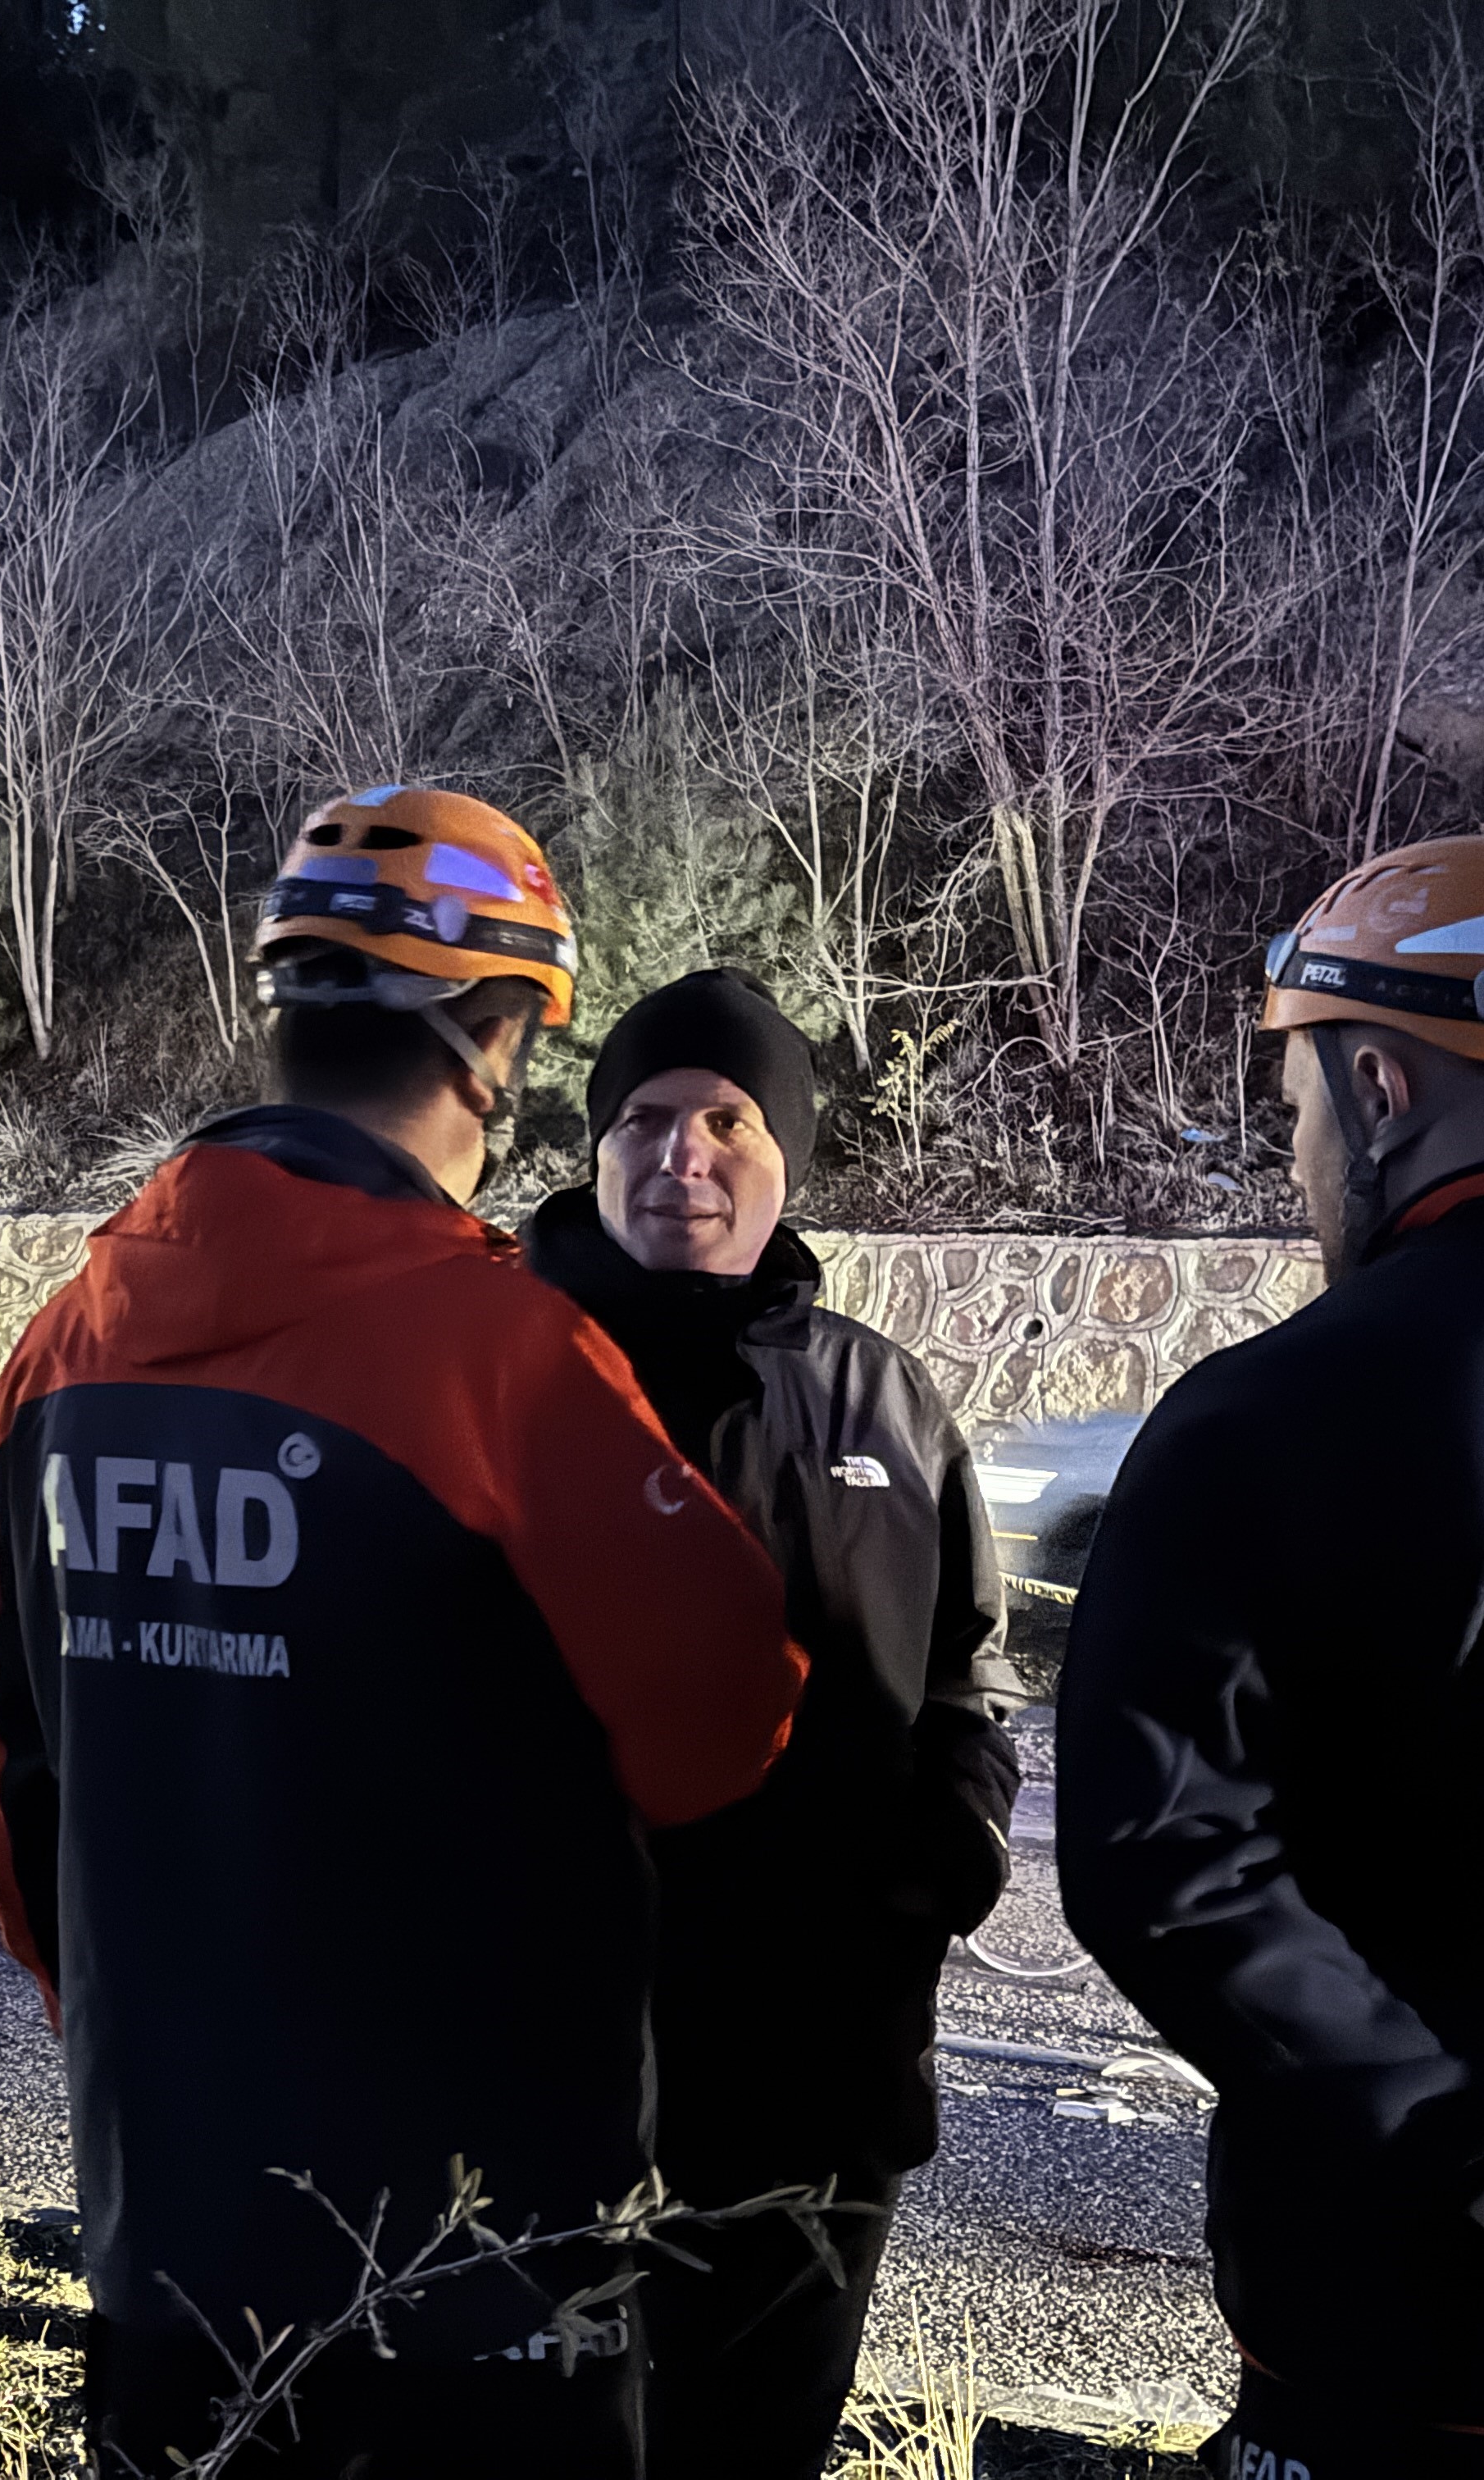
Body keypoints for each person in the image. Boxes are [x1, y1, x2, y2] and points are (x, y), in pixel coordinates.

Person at [0, 782, 809, 2479]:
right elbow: (727, 1721)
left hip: (167, 2237)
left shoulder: (64, 1350)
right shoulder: (499, 1362)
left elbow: (16, 1775)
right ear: (490, 1039)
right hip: (464, 2276)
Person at [521, 969, 1022, 2480]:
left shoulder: (882, 1401)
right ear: (595, 1148)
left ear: (784, 1152)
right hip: (543, 2071)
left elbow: (967, 1673)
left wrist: (946, 1852)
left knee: (754, 2446)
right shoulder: (499, 1375)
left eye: (728, 1117)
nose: (685, 1150)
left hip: (817, 2066)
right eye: (647, 1117)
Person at [1061, 837, 1484, 2480]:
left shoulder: (1267, 1416)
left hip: (1392, 2326)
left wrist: (1426, 2130)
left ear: (1381, 1086)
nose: (1301, 1153)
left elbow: (1162, 1856)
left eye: (1300, 1107)